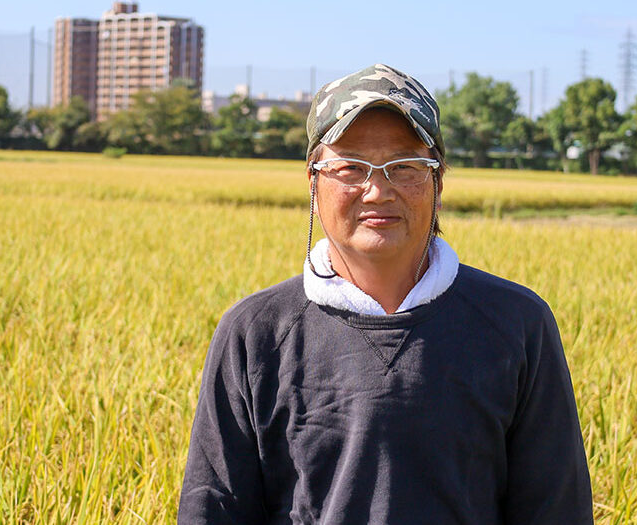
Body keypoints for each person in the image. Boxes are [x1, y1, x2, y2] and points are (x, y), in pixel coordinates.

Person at [178, 64, 593, 524]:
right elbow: (213, 508)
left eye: (404, 166)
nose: (377, 190)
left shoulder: (517, 323)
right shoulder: (255, 333)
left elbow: (557, 509)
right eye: (351, 166)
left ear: (438, 182)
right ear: (313, 182)